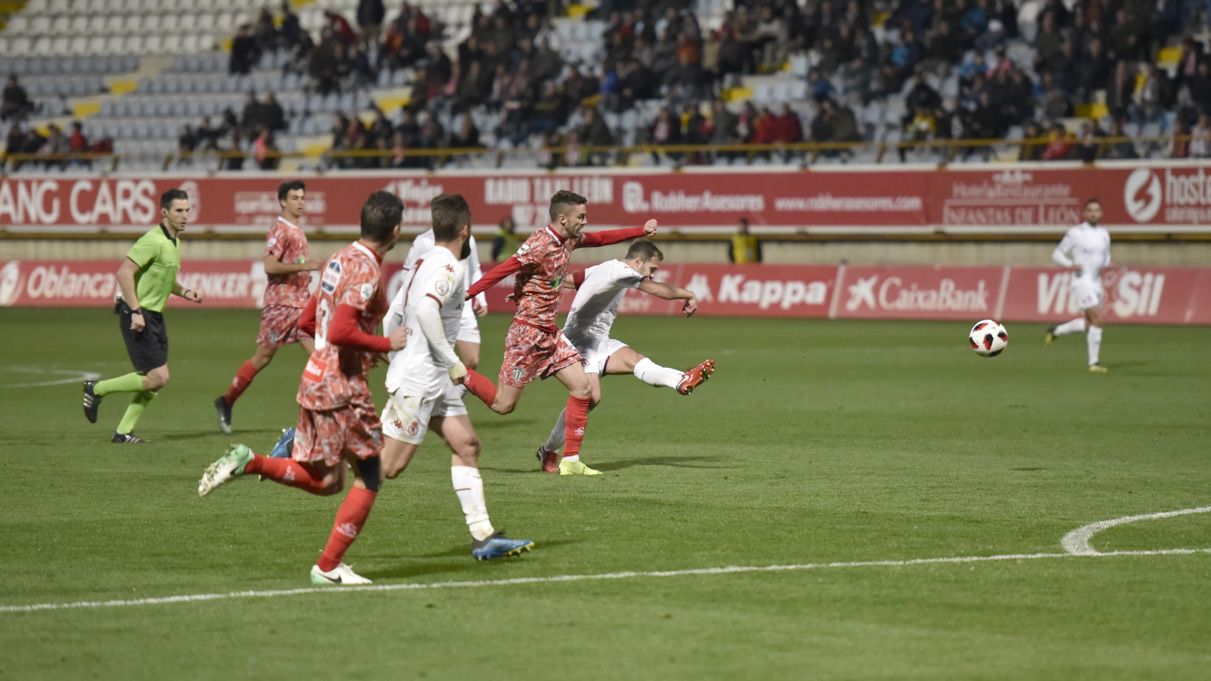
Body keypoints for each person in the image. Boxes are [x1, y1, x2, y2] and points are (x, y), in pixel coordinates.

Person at [197, 191, 409, 586]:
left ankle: (250, 461)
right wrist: (385, 344)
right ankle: (327, 567)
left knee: (328, 481)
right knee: (372, 472)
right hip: (342, 387)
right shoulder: (365, 271)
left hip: (315, 377)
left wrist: (338, 353)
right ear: (396, 231)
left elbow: (308, 323)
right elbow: (344, 328)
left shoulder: (337, 260)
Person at [381, 194, 533, 559]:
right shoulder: (450, 267)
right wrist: (450, 362)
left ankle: (484, 536)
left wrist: (391, 355)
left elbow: (392, 315)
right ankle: (303, 447)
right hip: (423, 378)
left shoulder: (423, 262)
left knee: (467, 446)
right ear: (465, 230)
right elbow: (427, 312)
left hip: (432, 379)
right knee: (389, 467)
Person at [462, 190, 656, 476]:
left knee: (584, 389)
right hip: (526, 334)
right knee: (504, 405)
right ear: (562, 219)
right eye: (581, 216)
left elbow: (601, 239)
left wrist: (640, 230)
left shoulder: (571, 239)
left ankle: (570, 460)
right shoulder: (540, 243)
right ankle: (457, 372)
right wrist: (468, 293)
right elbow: (505, 269)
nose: (585, 221)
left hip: (550, 334)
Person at [534, 240, 716, 471]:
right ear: (638, 261)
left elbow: (571, 280)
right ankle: (550, 451)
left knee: (634, 360)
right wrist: (688, 294)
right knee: (590, 398)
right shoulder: (621, 271)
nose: (651, 276)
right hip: (578, 343)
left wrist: (542, 285)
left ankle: (680, 380)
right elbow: (657, 290)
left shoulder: (605, 267)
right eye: (651, 269)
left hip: (599, 341)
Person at [82, 189, 205, 443]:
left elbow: (166, 280)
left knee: (154, 380)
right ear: (164, 213)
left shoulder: (174, 242)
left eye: (187, 210)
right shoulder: (153, 240)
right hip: (137, 314)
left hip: (155, 316)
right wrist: (136, 311)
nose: (184, 216)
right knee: (158, 376)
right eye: (178, 211)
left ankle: (123, 433)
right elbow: (124, 273)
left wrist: (186, 291)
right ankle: (96, 389)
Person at [214, 181, 322, 434]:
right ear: (283, 201)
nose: (301, 201)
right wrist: (305, 267)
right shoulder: (280, 230)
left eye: (303, 197)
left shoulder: (296, 229)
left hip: (299, 305)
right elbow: (270, 266)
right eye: (295, 197)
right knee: (263, 358)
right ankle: (226, 401)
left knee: (321, 355)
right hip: (281, 306)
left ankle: (315, 417)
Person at [400, 211, 487, 376]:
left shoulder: (468, 241)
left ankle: (448, 392)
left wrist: (480, 298)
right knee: (433, 360)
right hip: (436, 303)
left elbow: (475, 269)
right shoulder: (423, 242)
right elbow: (407, 275)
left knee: (471, 361)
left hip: (463, 304)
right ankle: (443, 392)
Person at [1045, 198, 1111, 373]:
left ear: (1101, 213)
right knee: (1098, 318)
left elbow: (1106, 256)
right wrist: (1069, 265)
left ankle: (1056, 330)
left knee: (1090, 325)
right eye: (1090, 210)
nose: (1093, 213)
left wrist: (1105, 265)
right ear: (1084, 213)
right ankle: (1093, 363)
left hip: (1096, 282)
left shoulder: (1105, 234)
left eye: (1096, 210)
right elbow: (1057, 253)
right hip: (1082, 281)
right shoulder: (1076, 232)